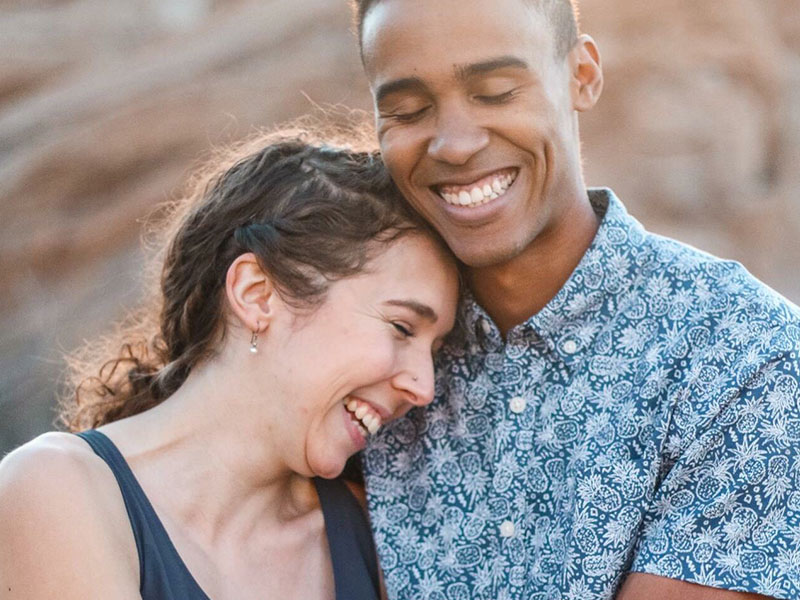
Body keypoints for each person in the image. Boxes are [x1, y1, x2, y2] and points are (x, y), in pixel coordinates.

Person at [350, 0, 800, 598]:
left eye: (497, 92)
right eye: (408, 110)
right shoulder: (361, 348)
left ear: (581, 76)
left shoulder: (746, 355)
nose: (454, 144)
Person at [0, 132, 459, 599]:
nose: (423, 386)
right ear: (256, 294)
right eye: (402, 328)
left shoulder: (376, 536)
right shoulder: (56, 489)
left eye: (436, 350)